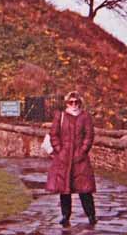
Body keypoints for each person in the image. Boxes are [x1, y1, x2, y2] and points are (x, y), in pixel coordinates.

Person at [45, 90, 97, 227]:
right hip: (64, 157)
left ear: (80, 103)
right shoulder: (60, 116)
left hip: (80, 158)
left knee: (84, 188)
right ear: (67, 103)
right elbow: (54, 134)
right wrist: (59, 150)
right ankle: (65, 216)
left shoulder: (85, 116)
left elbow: (89, 135)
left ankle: (91, 215)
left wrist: (83, 150)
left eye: (77, 102)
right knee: (64, 189)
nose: (74, 104)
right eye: (71, 102)